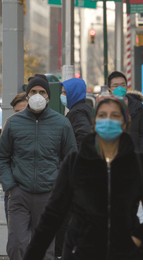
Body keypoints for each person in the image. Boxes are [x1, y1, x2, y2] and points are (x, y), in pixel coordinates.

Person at [24, 96, 143, 260]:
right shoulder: (75, 163)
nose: (108, 121)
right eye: (102, 115)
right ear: (94, 122)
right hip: (80, 255)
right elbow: (53, 214)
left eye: (115, 116)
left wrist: (137, 239)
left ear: (125, 122)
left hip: (125, 257)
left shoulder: (140, 165)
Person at [0, 75, 77, 259]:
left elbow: (72, 159)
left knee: (45, 250)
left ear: (48, 96)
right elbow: (2, 157)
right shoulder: (14, 123)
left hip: (49, 195)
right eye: (33, 92)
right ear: (27, 96)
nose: (37, 95)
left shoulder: (62, 124)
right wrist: (10, 187)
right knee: (17, 245)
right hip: (19, 194)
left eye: (42, 92)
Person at [107, 71, 143, 154]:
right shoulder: (103, 108)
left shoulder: (137, 107)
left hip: (133, 156)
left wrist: (141, 154)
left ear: (127, 87)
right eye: (115, 86)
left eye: (123, 85)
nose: (119, 88)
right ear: (109, 89)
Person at [3, 92, 29, 223]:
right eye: (17, 112)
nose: (20, 115)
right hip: (15, 192)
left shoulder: (45, 127)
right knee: (17, 239)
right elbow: (2, 158)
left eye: (23, 110)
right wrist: (10, 187)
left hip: (40, 193)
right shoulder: (10, 126)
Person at [61, 78, 94, 149]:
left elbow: (84, 135)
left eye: (65, 93)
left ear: (73, 93)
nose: (62, 95)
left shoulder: (77, 112)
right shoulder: (84, 107)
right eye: (62, 92)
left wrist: (74, 155)